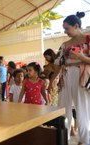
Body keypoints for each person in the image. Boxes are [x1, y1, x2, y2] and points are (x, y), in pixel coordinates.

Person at [49, 12, 90, 145]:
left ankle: (85, 141)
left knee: (82, 110)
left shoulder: (88, 40)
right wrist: (51, 81)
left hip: (81, 76)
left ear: (76, 25)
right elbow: (57, 65)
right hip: (65, 76)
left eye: (67, 28)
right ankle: (63, 140)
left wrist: (81, 57)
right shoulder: (64, 44)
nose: (65, 31)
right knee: (62, 109)